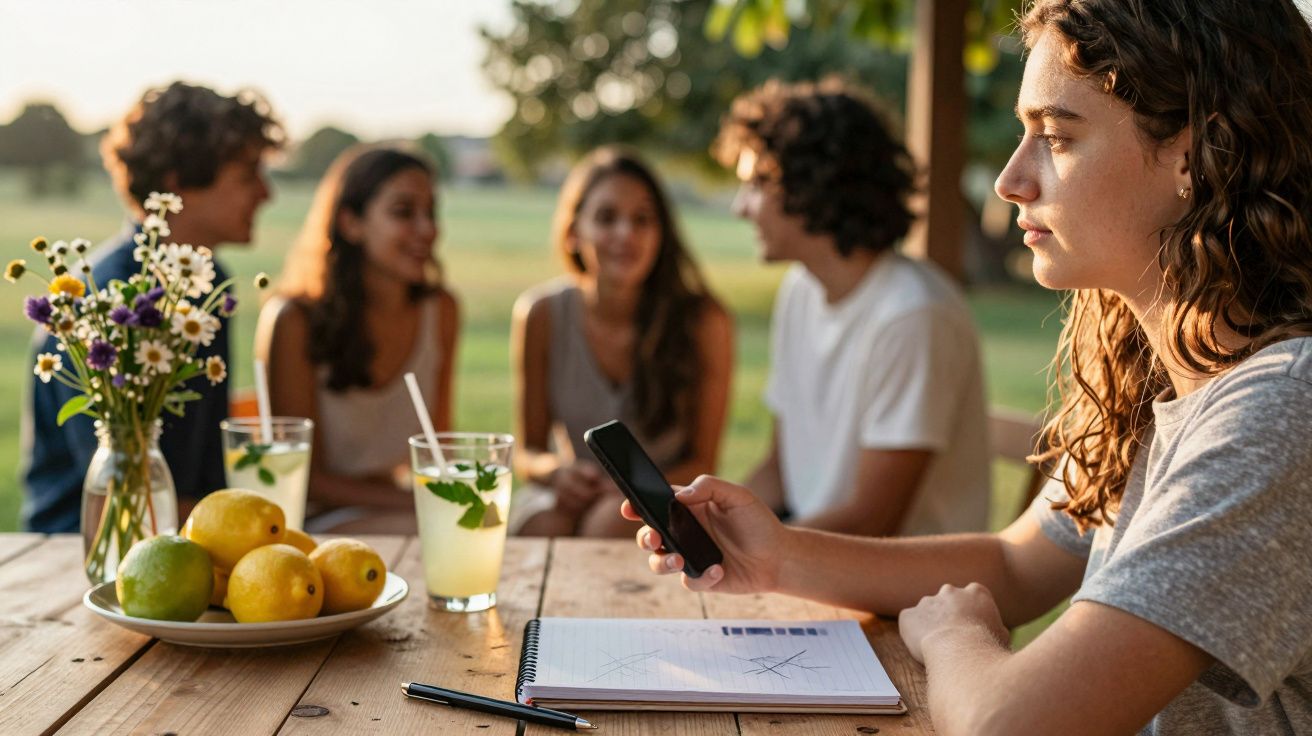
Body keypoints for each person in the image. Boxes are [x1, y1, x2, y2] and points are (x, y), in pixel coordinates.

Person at [627, 0, 1312, 732]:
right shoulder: (1157, 373)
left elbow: (1010, 725)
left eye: (1055, 135)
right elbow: (1016, 567)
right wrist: (778, 556)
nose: (1010, 180)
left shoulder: (1278, 410)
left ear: (1194, 152)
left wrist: (956, 634)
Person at [720, 79, 991, 536]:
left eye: (755, 184)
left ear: (810, 186)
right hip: (814, 554)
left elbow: (873, 521)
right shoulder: (800, 290)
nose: (739, 207)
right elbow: (780, 469)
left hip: (903, 592)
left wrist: (759, 551)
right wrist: (711, 523)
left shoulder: (913, 315)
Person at [21, 82, 282, 533]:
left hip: (186, 539)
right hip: (86, 555)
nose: (266, 193)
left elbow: (202, 471)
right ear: (177, 181)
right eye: (247, 175)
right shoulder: (107, 300)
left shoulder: (210, 282)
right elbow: (119, 502)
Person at [511, 146, 733, 538]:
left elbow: (703, 460)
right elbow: (527, 452)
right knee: (541, 525)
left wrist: (628, 491)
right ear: (573, 232)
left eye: (642, 219)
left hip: (668, 494)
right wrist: (558, 473)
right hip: (573, 496)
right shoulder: (541, 314)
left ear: (661, 233)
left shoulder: (704, 321)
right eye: (606, 217)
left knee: (610, 522)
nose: (626, 234)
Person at [258, 145, 458, 534]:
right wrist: (424, 502)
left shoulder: (441, 310)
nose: (427, 229)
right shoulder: (294, 321)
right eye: (404, 213)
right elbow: (303, 478)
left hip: (402, 514)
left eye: (430, 212)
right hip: (312, 525)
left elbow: (438, 449)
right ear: (351, 223)